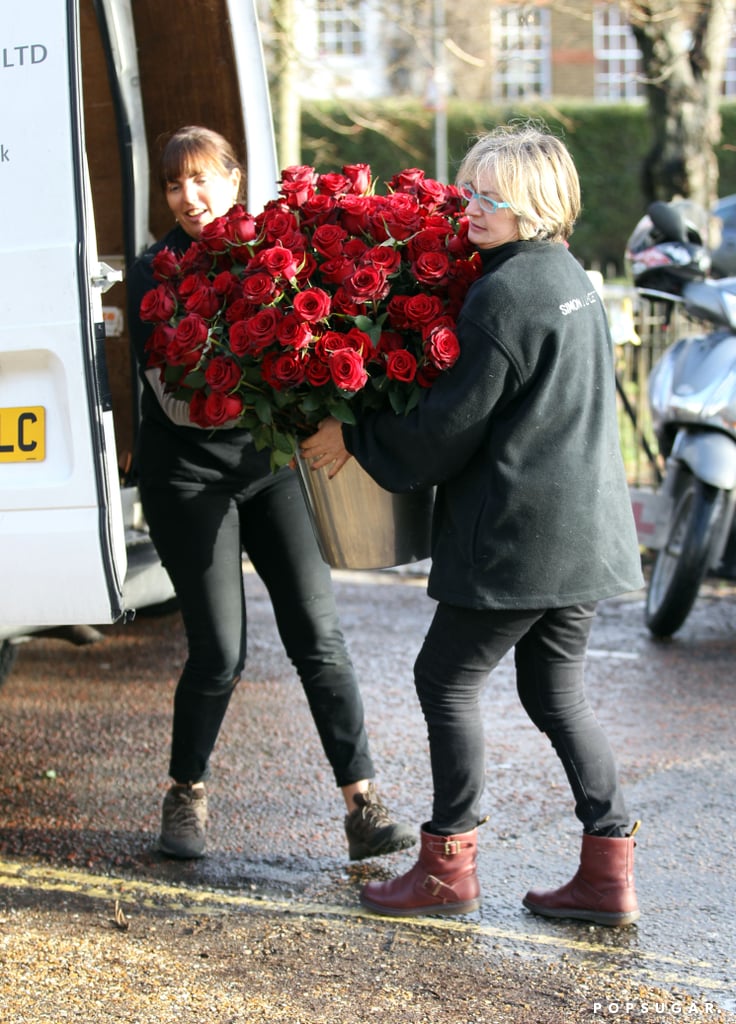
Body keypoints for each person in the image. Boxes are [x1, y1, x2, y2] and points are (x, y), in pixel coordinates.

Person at [301, 122, 644, 925]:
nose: (472, 207)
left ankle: (447, 865)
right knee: (557, 694)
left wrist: (350, 437)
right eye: (469, 189)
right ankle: (609, 869)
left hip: (519, 535)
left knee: (445, 679)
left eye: (493, 195)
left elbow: (448, 428)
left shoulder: (505, 292)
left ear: (536, 203)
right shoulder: (570, 276)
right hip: (585, 530)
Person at [126, 125, 415, 862]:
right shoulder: (152, 271)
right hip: (187, 476)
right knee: (220, 649)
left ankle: (363, 804)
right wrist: (275, 388)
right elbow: (177, 400)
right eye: (173, 184)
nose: (188, 198)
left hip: (269, 466)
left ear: (233, 178)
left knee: (318, 636)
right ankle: (185, 791)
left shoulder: (275, 252)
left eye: (201, 179)